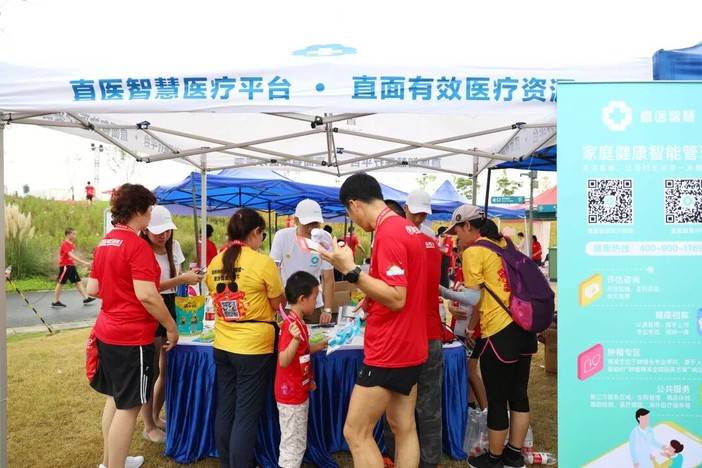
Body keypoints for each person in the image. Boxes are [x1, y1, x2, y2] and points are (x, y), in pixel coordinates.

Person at [318, 173, 431, 468]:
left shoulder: (389, 231)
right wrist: (369, 300)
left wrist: (352, 271)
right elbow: (404, 286)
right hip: (412, 343)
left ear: (354, 204)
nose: (354, 221)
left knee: (355, 432)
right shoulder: (409, 229)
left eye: (350, 214)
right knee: (403, 426)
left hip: (390, 348)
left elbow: (397, 297)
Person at [86, 183, 179, 468]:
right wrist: (170, 326)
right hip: (131, 337)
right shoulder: (137, 246)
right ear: (138, 210)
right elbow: (147, 295)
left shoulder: (105, 242)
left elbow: (92, 288)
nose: (151, 215)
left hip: (107, 330)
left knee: (115, 399)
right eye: (149, 209)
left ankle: (110, 462)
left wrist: (118, 293)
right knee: (129, 407)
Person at [444, 204, 537, 468]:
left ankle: (494, 458)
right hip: (524, 326)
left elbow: (473, 298)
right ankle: (514, 454)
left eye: (457, 231)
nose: (456, 237)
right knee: (519, 394)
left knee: (497, 399)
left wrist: (442, 291)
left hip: (498, 332)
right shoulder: (506, 244)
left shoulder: (474, 251)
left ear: (468, 226)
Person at [205, 208, 286, 468]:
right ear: (255, 232)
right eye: (262, 234)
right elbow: (278, 304)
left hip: (223, 343)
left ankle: (227, 463)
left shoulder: (215, 262)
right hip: (253, 348)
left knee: (226, 407)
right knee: (246, 414)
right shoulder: (262, 263)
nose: (261, 239)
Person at [381, 187, 442, 468]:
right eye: (417, 213)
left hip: (408, 335)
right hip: (427, 333)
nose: (419, 219)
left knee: (400, 405)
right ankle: (421, 459)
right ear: (406, 209)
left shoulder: (396, 241)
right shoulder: (431, 244)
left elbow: (394, 295)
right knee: (425, 405)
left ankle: (400, 457)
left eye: (423, 215)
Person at [139, 206, 202, 442]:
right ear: (146, 230)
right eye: (158, 231)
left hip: (173, 305)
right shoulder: (141, 250)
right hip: (151, 306)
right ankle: (148, 426)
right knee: (151, 370)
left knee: (167, 368)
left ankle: (156, 417)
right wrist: (181, 279)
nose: (163, 235)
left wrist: (188, 279)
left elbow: (179, 277)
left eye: (167, 231)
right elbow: (150, 288)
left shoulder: (173, 246)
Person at [275, 271, 329, 468]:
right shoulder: (290, 327)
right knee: (292, 445)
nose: (317, 302)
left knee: (297, 441)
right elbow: (283, 360)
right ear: (302, 299)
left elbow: (302, 351)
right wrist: (295, 339)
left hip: (298, 390)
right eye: (315, 297)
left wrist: (319, 346)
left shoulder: (299, 323)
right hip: (291, 395)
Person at [270, 199, 334, 324]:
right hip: (289, 305)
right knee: (288, 335)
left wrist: (328, 309)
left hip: (313, 304)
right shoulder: (282, 236)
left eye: (315, 223)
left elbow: (328, 279)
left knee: (315, 334)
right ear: (296, 220)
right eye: (307, 224)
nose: (311, 228)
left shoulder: (324, 239)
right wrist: (279, 302)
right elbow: (273, 269)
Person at [52, 228, 96, 308]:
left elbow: (70, 257)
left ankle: (86, 298)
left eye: (75, 234)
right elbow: (70, 255)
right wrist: (83, 262)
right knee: (60, 283)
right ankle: (55, 301)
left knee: (78, 282)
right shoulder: (65, 244)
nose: (75, 236)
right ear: (68, 234)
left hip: (71, 266)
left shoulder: (71, 244)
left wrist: (77, 263)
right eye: (73, 234)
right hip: (65, 266)